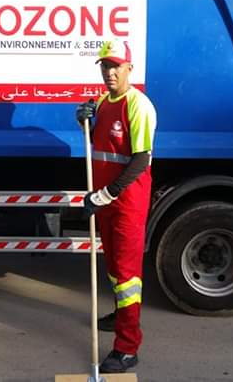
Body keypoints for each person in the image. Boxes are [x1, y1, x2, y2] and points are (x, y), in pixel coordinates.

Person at [75, 39, 157, 374]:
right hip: (106, 200)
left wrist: (105, 194)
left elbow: (140, 160)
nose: (110, 72)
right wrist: (83, 123)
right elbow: (99, 144)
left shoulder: (138, 105)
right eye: (105, 66)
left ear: (129, 69)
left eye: (116, 66)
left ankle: (127, 347)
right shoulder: (103, 103)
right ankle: (121, 316)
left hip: (127, 203)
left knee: (127, 275)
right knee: (113, 266)